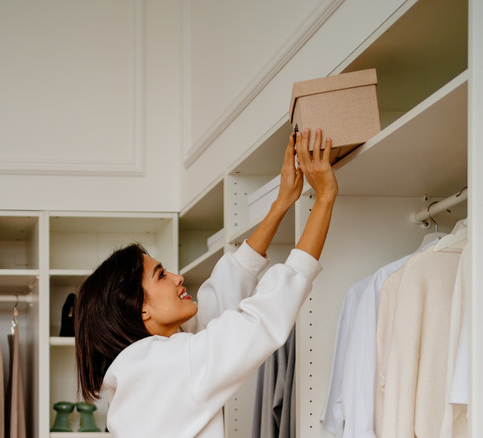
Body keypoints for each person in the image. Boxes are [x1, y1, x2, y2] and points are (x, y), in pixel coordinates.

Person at [74, 128, 338, 437]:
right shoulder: (165, 367)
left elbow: (221, 297)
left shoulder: (145, 366)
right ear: (140, 309)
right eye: (161, 275)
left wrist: (281, 204)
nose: (178, 277)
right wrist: (324, 198)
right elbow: (260, 320)